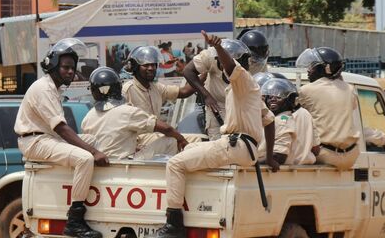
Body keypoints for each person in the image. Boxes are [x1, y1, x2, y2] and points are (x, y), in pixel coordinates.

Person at [156, 32, 277, 238]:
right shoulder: (246, 88)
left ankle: (174, 223)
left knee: (175, 164)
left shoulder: (242, 79)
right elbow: (269, 120)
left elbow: (231, 67)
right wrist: (270, 156)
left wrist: (218, 47)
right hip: (243, 147)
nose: (222, 68)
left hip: (235, 144)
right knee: (190, 148)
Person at [14, 38, 107, 238]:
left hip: (45, 138)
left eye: (73, 68)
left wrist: (92, 147)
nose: (71, 72)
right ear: (53, 65)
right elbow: (62, 129)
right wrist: (94, 152)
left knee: (92, 140)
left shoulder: (53, 87)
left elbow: (61, 131)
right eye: (65, 67)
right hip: (35, 141)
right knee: (85, 158)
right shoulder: (44, 88)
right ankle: (74, 221)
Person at [82, 67, 188, 160]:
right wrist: (181, 139)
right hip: (126, 163)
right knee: (171, 140)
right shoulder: (127, 111)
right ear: (118, 87)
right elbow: (167, 129)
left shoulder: (87, 117)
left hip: (104, 163)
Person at [295, 47, 361, 171]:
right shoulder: (350, 89)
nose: (308, 71)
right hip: (352, 155)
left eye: (312, 66)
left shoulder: (307, 90)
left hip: (325, 155)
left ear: (326, 68)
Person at [123, 46, 203, 146]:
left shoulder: (156, 87)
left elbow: (184, 92)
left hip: (154, 137)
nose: (151, 68)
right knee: (176, 141)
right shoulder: (127, 90)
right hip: (137, 141)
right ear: (135, 67)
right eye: (146, 65)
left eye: (153, 65)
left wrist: (206, 72)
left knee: (196, 139)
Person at [258, 78, 319, 165]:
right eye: (270, 97)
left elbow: (279, 156)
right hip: (305, 165)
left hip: (285, 169)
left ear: (289, 100)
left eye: (279, 97)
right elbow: (316, 149)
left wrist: (254, 163)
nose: (273, 100)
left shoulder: (280, 120)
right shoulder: (305, 113)